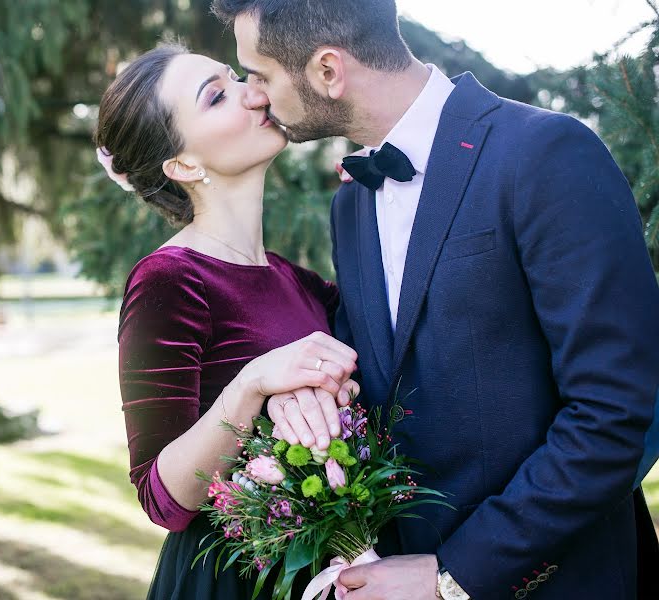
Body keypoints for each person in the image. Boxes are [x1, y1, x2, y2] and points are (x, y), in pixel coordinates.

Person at [211, 1, 659, 599]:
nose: (255, 97)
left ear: (327, 71)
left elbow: (618, 412)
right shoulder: (352, 203)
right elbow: (385, 376)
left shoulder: (544, 153)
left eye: (260, 74)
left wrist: (453, 577)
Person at [94, 44, 360, 599]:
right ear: (184, 165)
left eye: (236, 77)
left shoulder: (298, 280)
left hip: (322, 566)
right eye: (217, 97)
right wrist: (252, 385)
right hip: (230, 577)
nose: (254, 91)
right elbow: (160, 496)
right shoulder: (167, 280)